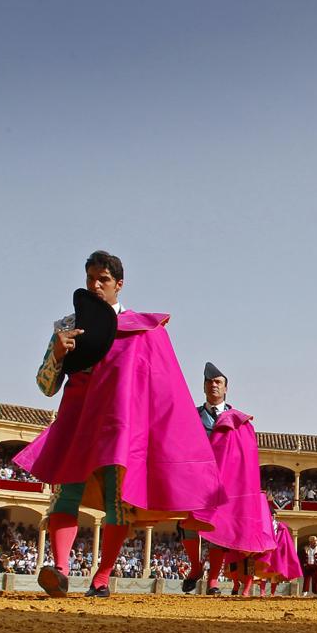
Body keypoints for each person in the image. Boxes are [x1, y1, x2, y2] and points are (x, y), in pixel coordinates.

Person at [15, 250, 223, 598]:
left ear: (119, 285)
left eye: (104, 280)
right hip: (78, 419)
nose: (95, 285)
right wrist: (56, 355)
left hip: (117, 422)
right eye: (90, 279)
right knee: (67, 492)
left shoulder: (141, 329)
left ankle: (102, 576)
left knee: (117, 499)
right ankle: (60, 570)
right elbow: (46, 386)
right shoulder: (67, 327)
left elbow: (160, 386)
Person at [182, 362, 276, 595]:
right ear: (204, 387)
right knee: (189, 525)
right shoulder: (191, 415)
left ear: (226, 389)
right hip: (196, 479)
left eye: (218, 382)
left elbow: (246, 457)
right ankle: (196, 566)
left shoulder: (240, 422)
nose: (213, 385)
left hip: (225, 484)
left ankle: (213, 580)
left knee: (219, 528)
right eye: (209, 382)